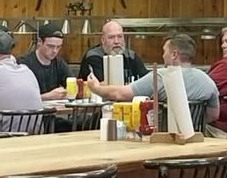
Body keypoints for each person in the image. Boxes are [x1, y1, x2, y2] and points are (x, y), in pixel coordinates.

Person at [88, 33, 220, 123]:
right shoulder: (208, 81)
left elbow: (120, 94)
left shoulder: (161, 77)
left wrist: (96, 88)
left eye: (164, 51)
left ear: (174, 54)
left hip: (162, 143)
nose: (163, 56)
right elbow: (213, 115)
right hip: (196, 144)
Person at [78, 19, 145, 85]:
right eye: (111, 37)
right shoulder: (93, 57)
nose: (116, 41)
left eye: (120, 36)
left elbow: (146, 79)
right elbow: (103, 86)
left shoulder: (131, 56)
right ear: (103, 40)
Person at [20, 22, 69, 99]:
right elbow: (20, 97)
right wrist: (47, 96)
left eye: (58, 47)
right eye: (50, 46)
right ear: (39, 41)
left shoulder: (59, 63)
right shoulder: (24, 64)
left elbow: (72, 83)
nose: (55, 51)